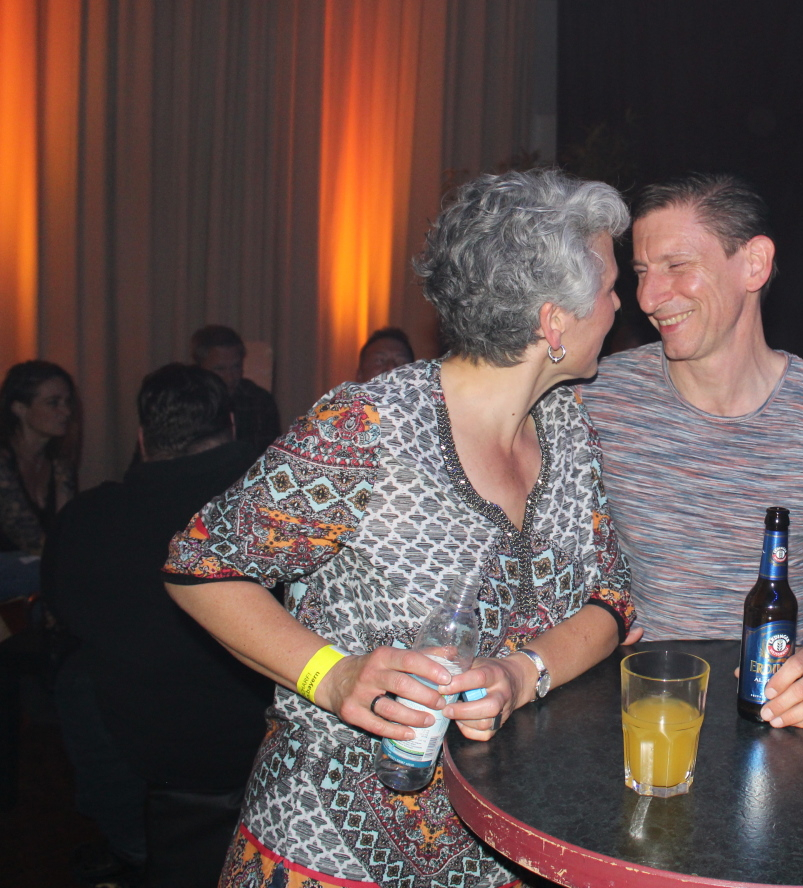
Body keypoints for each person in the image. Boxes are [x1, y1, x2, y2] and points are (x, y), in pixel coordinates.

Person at [165, 168, 636, 888]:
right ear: (553, 321)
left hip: (501, 842)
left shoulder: (567, 426)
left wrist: (520, 673)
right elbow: (199, 566)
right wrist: (332, 676)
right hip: (328, 848)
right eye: (609, 287)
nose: (620, 304)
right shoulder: (369, 429)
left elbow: (612, 596)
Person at [581, 173, 803, 730]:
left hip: (780, 722)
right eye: (641, 272)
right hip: (633, 720)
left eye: (677, 265)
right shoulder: (595, 399)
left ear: (754, 264)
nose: (648, 297)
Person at [43, 363, 272, 888]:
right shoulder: (278, 516)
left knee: (79, 679)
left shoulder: (86, 519)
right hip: (265, 755)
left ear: (144, 440)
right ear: (231, 426)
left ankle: (133, 848)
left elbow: (63, 612)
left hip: (145, 755)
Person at [1, 361, 78, 598]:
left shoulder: (58, 463)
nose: (66, 411)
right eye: (53, 403)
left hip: (35, 569)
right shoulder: (3, 462)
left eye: (67, 402)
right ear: (19, 408)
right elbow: (27, 535)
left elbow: (67, 529)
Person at [191, 325, 282, 460]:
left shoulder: (259, 401)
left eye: (236, 367)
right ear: (200, 367)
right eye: (220, 369)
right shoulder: (186, 402)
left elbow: (270, 457)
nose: (230, 377)